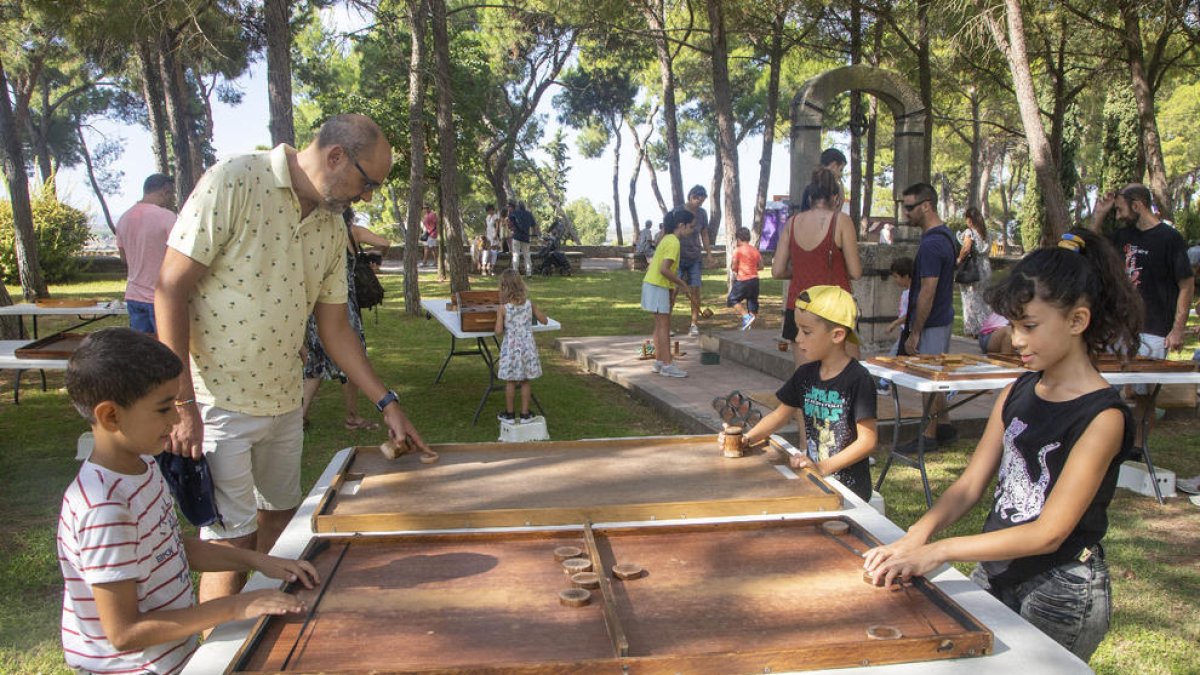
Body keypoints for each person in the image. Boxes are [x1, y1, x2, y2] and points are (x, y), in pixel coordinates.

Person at [155, 113, 430, 605]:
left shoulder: (330, 225)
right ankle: (218, 651)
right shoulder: (236, 179)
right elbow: (170, 288)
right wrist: (181, 405)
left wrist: (386, 402)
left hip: (283, 403)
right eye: (368, 183)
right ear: (336, 156)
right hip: (218, 403)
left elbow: (336, 329)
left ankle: (258, 635)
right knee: (230, 544)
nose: (367, 197)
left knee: (281, 528)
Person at [863, 228, 1141, 662]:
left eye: (1029, 326)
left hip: (1062, 588)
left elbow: (1050, 534)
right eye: (1013, 325)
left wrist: (939, 550)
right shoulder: (1017, 390)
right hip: (996, 569)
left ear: (1077, 321)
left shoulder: (1103, 417)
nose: (1015, 340)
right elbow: (969, 486)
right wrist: (916, 536)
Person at [58, 328, 319, 674]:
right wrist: (236, 606)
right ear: (111, 416)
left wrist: (258, 561)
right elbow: (124, 633)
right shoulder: (104, 509)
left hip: (172, 657)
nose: (176, 419)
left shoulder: (144, 465)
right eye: (164, 409)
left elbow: (169, 546)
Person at [725, 286, 877, 501]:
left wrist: (822, 467)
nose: (798, 338)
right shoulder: (805, 374)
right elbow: (780, 415)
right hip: (817, 485)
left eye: (806, 332)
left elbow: (867, 442)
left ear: (837, 335)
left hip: (851, 493)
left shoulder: (858, 379)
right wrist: (747, 439)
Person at [1089, 184, 1194, 451]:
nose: (1119, 215)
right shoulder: (1123, 235)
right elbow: (1091, 247)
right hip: (1117, 326)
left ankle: (1136, 447)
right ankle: (1105, 445)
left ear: (1138, 205)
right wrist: (1100, 214)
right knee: (1105, 385)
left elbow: (1186, 284)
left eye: (1122, 209)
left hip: (1155, 328)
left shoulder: (1170, 238)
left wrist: (1178, 329)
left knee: (1143, 393)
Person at [300, 208, 392, 432]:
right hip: (343, 304)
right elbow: (385, 242)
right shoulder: (353, 232)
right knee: (352, 358)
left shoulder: (318, 233)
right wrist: (373, 258)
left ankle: (300, 417)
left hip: (317, 304)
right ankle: (352, 416)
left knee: (316, 360)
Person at [772, 167, 862, 366]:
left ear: (810, 196)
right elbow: (856, 271)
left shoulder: (792, 223)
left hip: (800, 306)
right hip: (835, 308)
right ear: (835, 197)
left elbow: (777, 271)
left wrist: (801, 270)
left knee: (805, 378)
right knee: (847, 377)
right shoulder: (842, 222)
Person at [896, 182, 959, 454]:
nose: (905, 212)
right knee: (936, 375)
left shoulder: (933, 244)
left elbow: (927, 291)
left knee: (928, 379)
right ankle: (943, 426)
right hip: (941, 318)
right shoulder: (945, 236)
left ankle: (929, 434)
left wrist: (916, 331)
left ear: (926, 206)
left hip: (932, 322)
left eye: (909, 207)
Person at [114, 173, 176, 334]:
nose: (171, 199)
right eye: (171, 194)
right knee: (167, 351)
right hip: (161, 296)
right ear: (165, 190)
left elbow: (123, 258)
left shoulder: (124, 219)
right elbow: (179, 256)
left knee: (142, 351)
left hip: (134, 295)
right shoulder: (167, 217)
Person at [642, 208, 696, 378]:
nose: (692, 229)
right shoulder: (673, 242)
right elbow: (664, 269)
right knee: (665, 327)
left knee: (659, 326)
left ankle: (659, 361)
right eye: (690, 226)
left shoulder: (667, 239)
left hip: (653, 285)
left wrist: (673, 289)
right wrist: (682, 283)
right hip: (657, 285)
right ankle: (667, 364)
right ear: (681, 225)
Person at [494, 269, 548, 423]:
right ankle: (525, 414)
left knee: (510, 381)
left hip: (511, 348)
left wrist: (499, 318)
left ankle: (509, 414)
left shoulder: (503, 308)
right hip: (527, 347)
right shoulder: (529, 305)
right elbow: (544, 320)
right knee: (525, 380)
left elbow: (498, 331)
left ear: (503, 287)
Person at [676, 185, 712, 337]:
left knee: (695, 289)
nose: (700, 205)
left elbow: (704, 234)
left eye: (703, 202)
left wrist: (709, 253)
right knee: (673, 291)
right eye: (699, 201)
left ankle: (694, 324)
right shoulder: (678, 212)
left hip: (695, 257)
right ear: (691, 197)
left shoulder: (702, 214)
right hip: (678, 257)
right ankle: (666, 324)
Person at [957, 206, 993, 337]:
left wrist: (959, 259)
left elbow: (966, 248)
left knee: (971, 299)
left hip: (973, 267)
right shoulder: (987, 233)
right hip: (985, 266)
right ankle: (988, 326)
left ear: (970, 220)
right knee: (983, 298)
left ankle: (974, 328)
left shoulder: (970, 232)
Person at [727, 227, 762, 330]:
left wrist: (738, 269)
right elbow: (761, 266)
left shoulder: (738, 250)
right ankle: (749, 325)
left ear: (738, 239)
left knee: (732, 299)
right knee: (752, 301)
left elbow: (733, 267)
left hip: (743, 280)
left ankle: (746, 317)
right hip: (755, 280)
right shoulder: (755, 250)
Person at [797, 148, 847, 212]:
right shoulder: (835, 189)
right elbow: (836, 215)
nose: (840, 174)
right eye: (841, 170)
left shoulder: (809, 188)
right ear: (833, 165)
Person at [510, 200, 538, 276]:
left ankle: (515, 272)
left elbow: (510, 223)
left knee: (516, 254)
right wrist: (534, 234)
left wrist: (512, 229)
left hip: (516, 236)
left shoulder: (514, 213)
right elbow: (534, 225)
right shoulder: (529, 214)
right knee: (527, 255)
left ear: (518, 207)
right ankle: (529, 273)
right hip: (525, 237)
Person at [482, 204, 499, 275]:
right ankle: (483, 268)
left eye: (489, 210)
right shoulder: (487, 217)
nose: (489, 212)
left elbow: (498, 226)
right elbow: (486, 227)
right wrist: (485, 235)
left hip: (494, 235)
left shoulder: (496, 216)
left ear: (492, 209)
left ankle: (491, 269)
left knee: (494, 252)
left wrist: (496, 234)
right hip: (488, 236)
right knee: (486, 252)